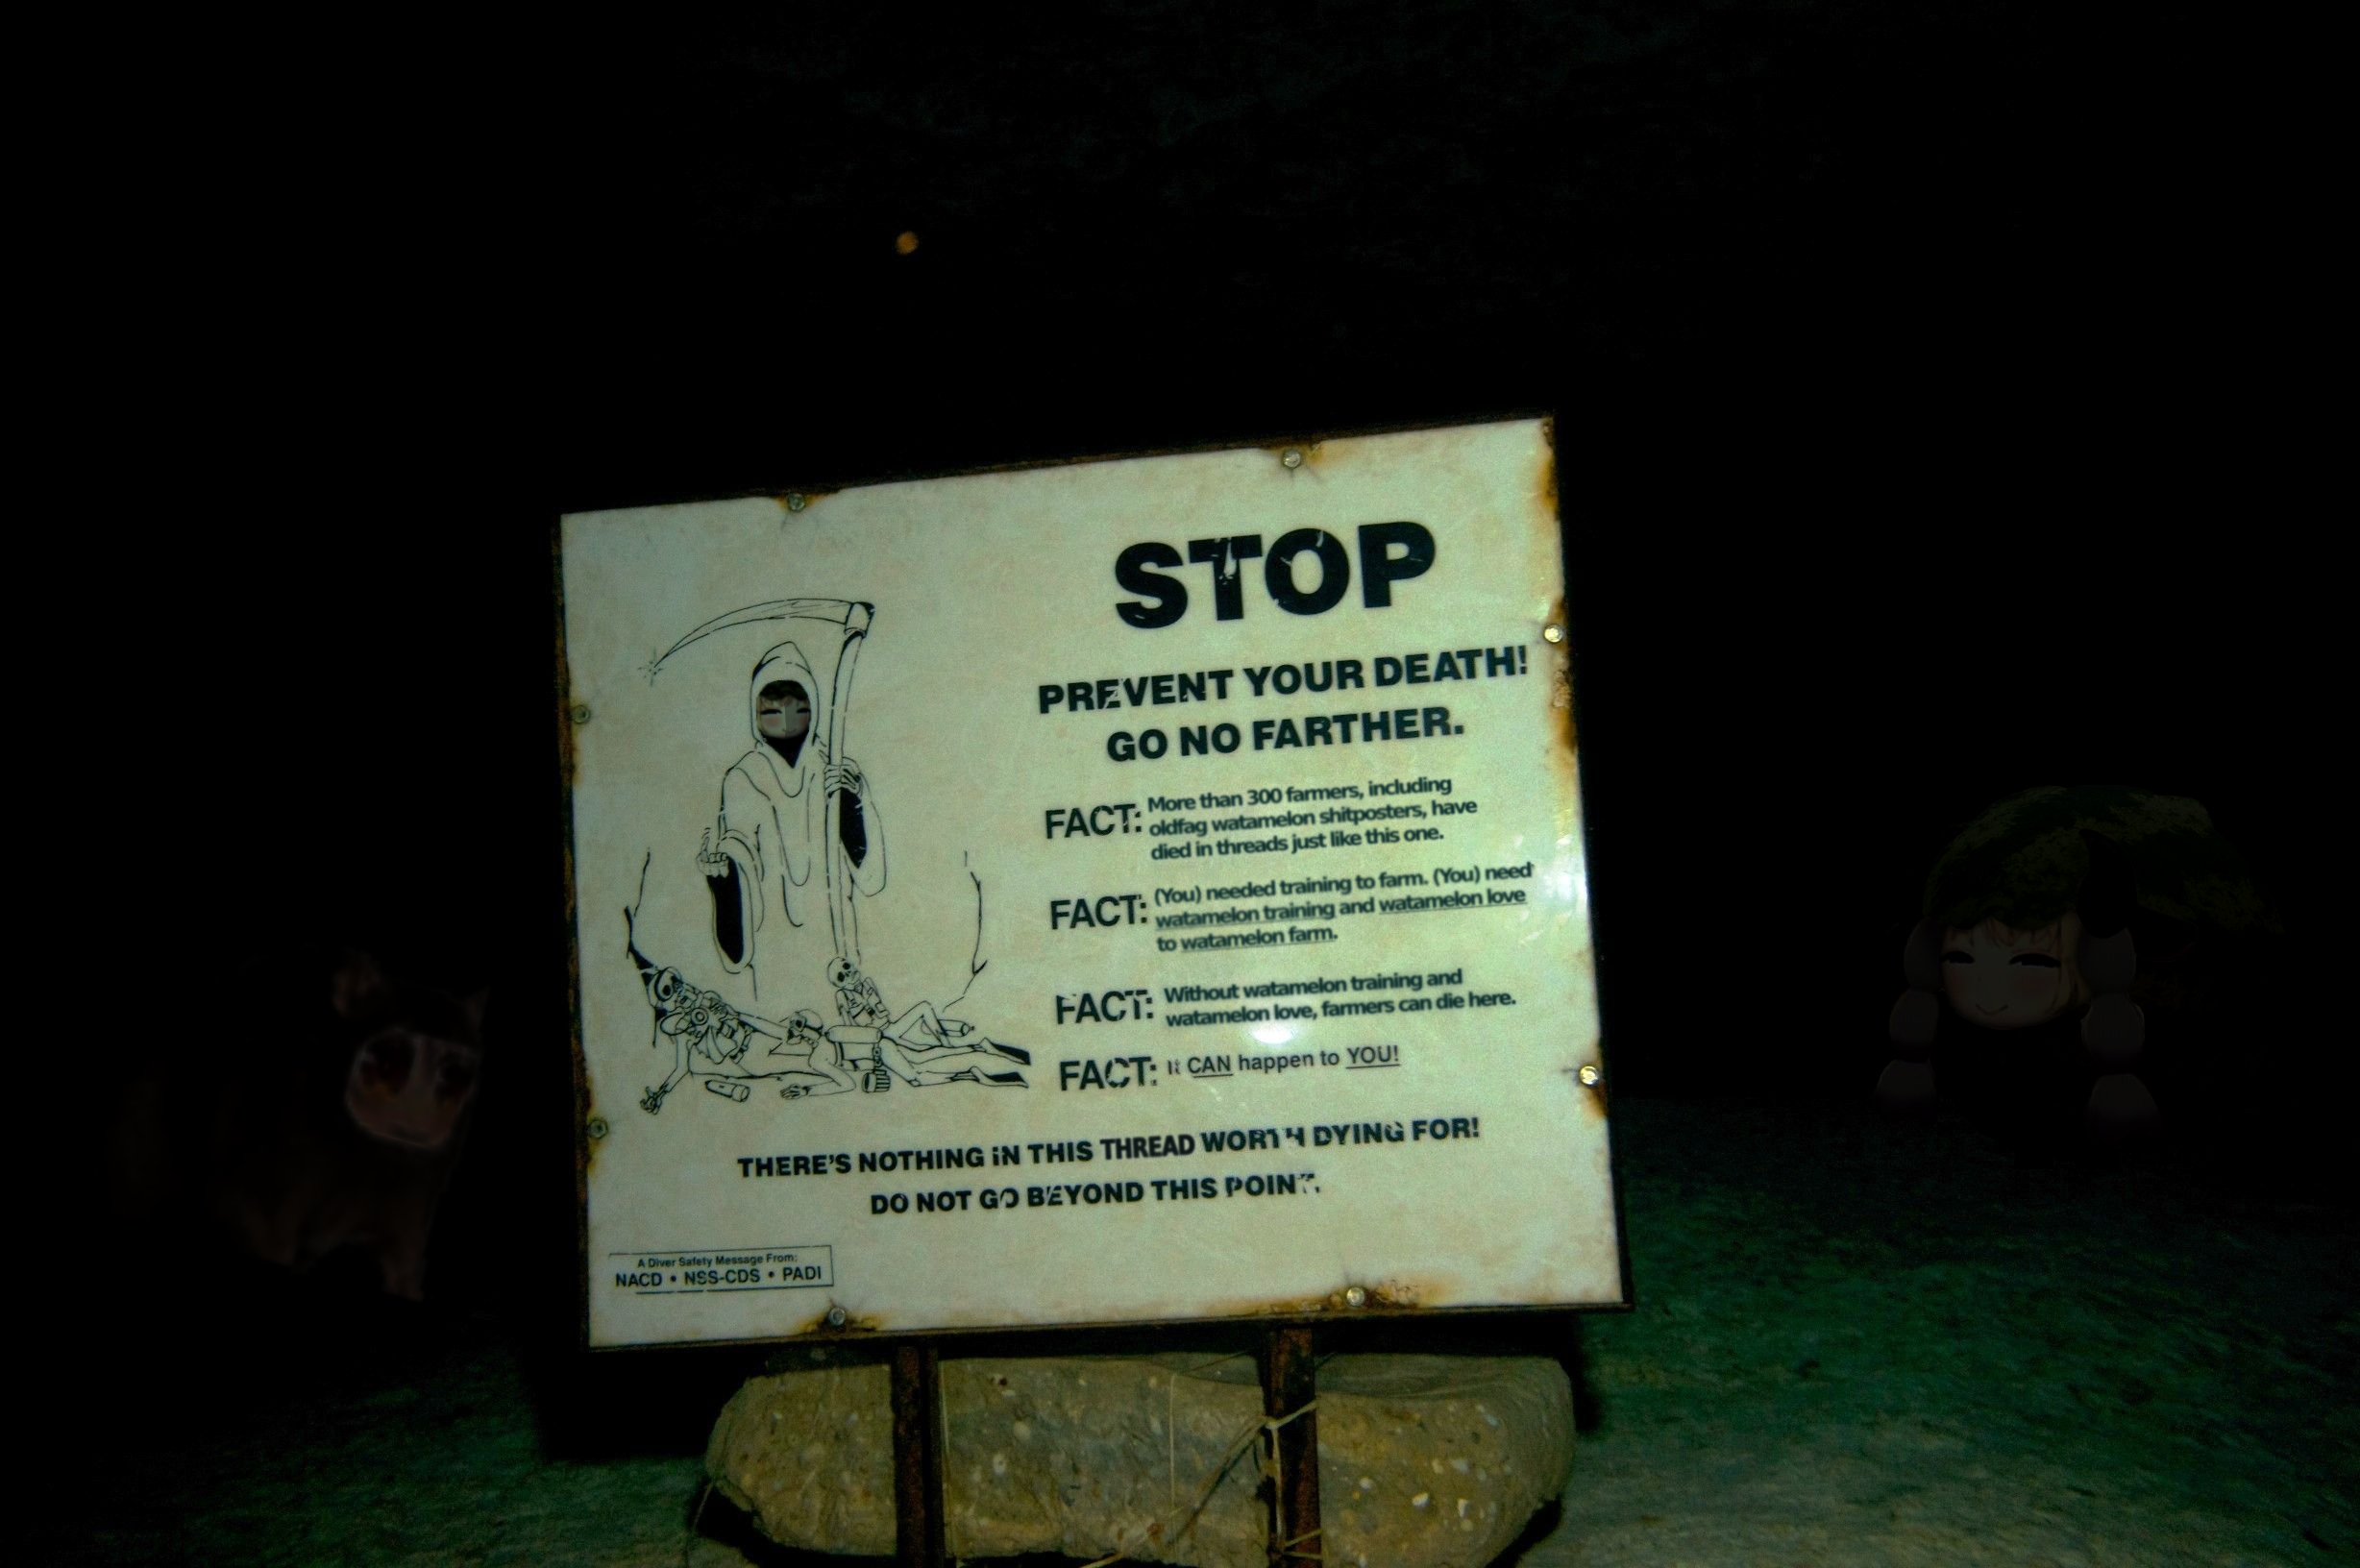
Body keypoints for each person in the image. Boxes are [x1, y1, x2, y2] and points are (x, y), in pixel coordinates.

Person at [697, 641, 885, 1002]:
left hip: (837, 950)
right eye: (772, 706)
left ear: (811, 706)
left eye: (795, 704)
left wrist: (854, 804)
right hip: (776, 957)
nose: (784, 716)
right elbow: (741, 869)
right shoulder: (742, 780)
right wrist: (722, 879)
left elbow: (871, 878)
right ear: (756, 711)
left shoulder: (832, 769)